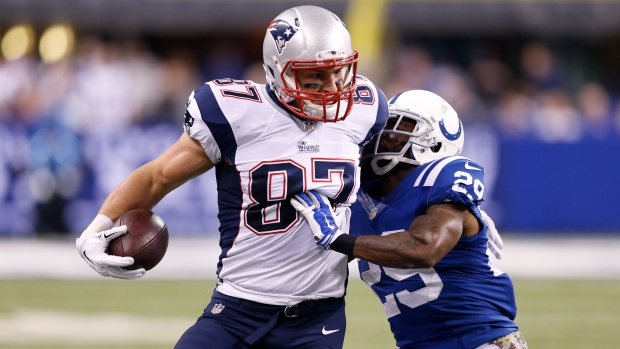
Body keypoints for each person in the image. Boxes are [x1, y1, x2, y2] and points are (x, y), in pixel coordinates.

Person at [75, 5, 389, 349]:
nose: (332, 87)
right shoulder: (236, 113)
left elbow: (381, 191)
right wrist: (94, 231)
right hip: (237, 307)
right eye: (314, 75)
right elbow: (157, 177)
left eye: (339, 72)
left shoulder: (366, 108)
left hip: (318, 316)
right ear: (277, 71)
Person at [291, 90, 527, 349]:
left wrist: (337, 239)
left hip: (479, 341)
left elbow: (424, 248)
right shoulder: (362, 198)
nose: (381, 135)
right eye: (382, 126)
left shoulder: (441, 181)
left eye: (396, 128)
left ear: (433, 143)